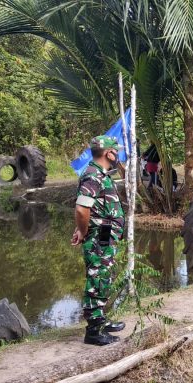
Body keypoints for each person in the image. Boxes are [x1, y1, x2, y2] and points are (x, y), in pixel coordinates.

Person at [71, 136, 126, 346]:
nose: (117, 154)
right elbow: (81, 208)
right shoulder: (92, 175)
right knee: (98, 276)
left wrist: (80, 229)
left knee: (103, 274)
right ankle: (94, 331)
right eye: (115, 151)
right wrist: (83, 230)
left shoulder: (100, 173)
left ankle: (101, 319)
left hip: (105, 232)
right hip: (99, 234)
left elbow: (93, 208)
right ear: (108, 153)